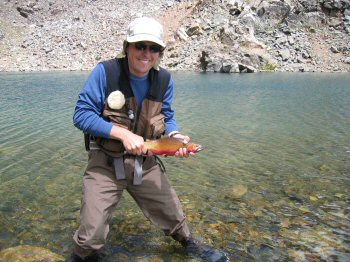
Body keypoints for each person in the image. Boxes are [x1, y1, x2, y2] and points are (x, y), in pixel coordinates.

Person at [72, 17, 228, 261]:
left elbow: (167, 116)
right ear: (127, 47)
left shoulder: (164, 79)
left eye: (153, 48)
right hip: (106, 164)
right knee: (90, 238)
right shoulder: (106, 72)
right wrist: (122, 134)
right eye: (140, 46)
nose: (146, 53)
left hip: (145, 164)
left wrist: (175, 137)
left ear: (160, 52)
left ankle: (189, 245)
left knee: (173, 215)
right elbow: (81, 115)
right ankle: (84, 255)